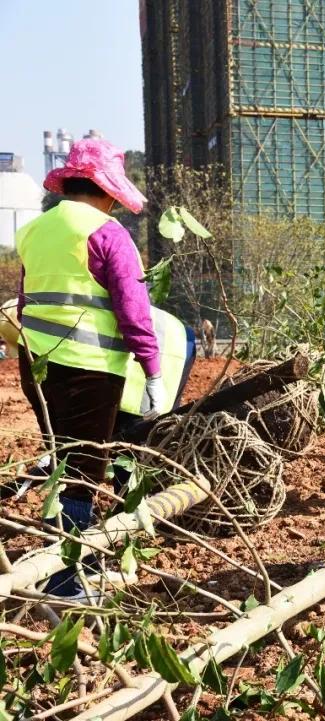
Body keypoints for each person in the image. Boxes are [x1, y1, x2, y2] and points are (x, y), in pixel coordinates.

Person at [14, 137, 177, 597]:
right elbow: (134, 311)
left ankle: (57, 561)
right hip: (89, 370)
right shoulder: (107, 234)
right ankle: (65, 580)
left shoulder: (34, 231)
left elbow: (26, 303)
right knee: (85, 469)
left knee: (62, 460)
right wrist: (154, 372)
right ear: (106, 190)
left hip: (38, 367)